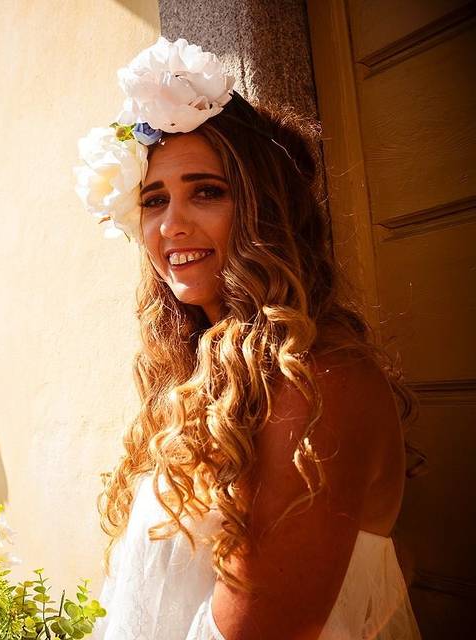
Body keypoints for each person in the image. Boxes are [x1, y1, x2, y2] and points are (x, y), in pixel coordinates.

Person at [75, 37, 421, 639]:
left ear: (262, 209)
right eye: (154, 199)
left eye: (206, 191)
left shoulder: (316, 381)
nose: (173, 223)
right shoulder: (196, 375)